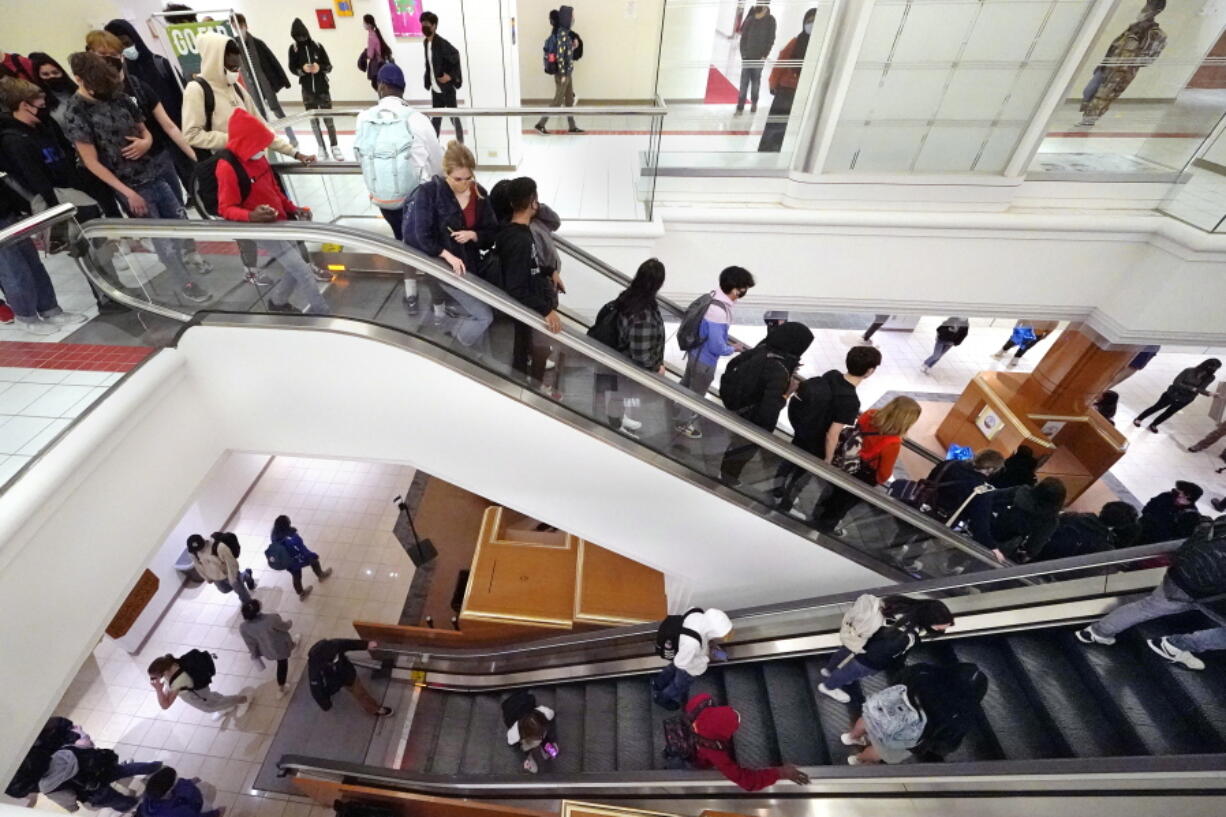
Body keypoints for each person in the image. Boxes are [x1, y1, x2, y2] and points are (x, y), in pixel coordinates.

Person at [63, 51, 212, 305]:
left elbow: (145, 130)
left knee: (180, 223)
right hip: (128, 184)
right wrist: (128, 193)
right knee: (162, 240)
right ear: (79, 79)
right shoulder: (76, 112)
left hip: (153, 171)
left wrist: (146, 143)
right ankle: (183, 282)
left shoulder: (118, 96)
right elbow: (90, 162)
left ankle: (187, 265)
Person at [85, 29, 203, 271]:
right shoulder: (84, 105)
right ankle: (179, 276)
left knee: (178, 216)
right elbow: (91, 158)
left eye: (115, 55)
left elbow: (167, 125)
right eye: (103, 55)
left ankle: (189, 256)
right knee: (157, 230)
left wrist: (197, 161)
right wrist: (125, 191)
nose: (111, 60)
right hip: (128, 177)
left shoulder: (135, 85)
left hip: (159, 160)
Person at [216, 108, 331, 315]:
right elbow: (225, 208)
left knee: (294, 267)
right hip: (261, 228)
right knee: (303, 271)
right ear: (246, 142)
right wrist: (251, 216)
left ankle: (278, 302)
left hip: (280, 222)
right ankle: (322, 314)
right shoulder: (227, 167)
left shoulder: (258, 157)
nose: (263, 149)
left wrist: (292, 209)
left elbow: (274, 190)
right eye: (258, 144)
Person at [1077, 517, 1226, 671]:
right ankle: (1175, 645)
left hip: (1182, 571)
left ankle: (1097, 632)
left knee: (1146, 607)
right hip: (1206, 592)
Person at [403, 140, 497, 349]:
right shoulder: (429, 193)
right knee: (483, 315)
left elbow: (491, 232)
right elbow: (421, 235)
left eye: (468, 178)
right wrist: (446, 254)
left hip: (471, 267)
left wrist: (473, 234)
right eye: (457, 179)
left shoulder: (479, 193)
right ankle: (455, 345)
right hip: (445, 269)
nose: (464, 184)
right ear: (446, 173)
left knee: (480, 311)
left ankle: (469, 346)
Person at [775, 345, 881, 514]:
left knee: (789, 461)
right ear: (869, 371)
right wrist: (828, 460)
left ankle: (777, 488)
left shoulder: (832, 374)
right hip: (816, 441)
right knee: (801, 476)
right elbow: (833, 434)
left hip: (803, 428)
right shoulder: (851, 401)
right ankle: (784, 506)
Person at [182, 33, 313, 165]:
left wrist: (294, 153)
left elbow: (262, 127)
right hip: (225, 167)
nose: (235, 72)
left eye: (237, 68)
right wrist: (234, 140)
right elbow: (191, 135)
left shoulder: (236, 87)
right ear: (214, 62)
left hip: (253, 164)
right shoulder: (196, 90)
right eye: (232, 67)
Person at [356, 63, 443, 241]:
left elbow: (359, 157)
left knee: (399, 236)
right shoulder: (418, 119)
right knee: (420, 238)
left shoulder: (363, 118)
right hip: (414, 198)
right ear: (403, 89)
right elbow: (437, 163)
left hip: (382, 198)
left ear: (381, 86)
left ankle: (404, 259)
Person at [719, 322, 814, 485]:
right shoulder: (779, 370)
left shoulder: (763, 348)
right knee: (743, 449)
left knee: (737, 445)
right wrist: (786, 395)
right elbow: (768, 412)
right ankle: (728, 478)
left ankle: (726, 471)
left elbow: (732, 365)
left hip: (738, 405)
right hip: (751, 418)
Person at [817, 596, 954, 703]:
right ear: (927, 620)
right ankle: (828, 686)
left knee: (843, 654)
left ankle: (829, 670)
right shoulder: (904, 637)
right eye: (940, 626)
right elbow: (879, 656)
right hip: (867, 659)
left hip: (858, 637)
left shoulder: (900, 606)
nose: (943, 629)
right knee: (850, 672)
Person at [845, 662, 988, 765]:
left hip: (880, 712)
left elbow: (897, 679)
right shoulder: (961, 715)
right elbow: (945, 744)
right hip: (898, 738)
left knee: (865, 720)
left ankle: (852, 737)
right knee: (879, 751)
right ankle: (859, 759)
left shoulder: (924, 672)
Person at [815, 396, 922, 533]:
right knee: (844, 503)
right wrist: (876, 480)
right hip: (863, 475)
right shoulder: (892, 442)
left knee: (834, 491)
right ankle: (826, 527)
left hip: (845, 459)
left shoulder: (869, 415)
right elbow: (884, 473)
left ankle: (820, 511)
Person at [493, 177, 564, 380]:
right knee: (533, 350)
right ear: (533, 202)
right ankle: (532, 392)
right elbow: (516, 286)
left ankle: (529, 388)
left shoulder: (517, 232)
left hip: (532, 303)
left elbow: (529, 266)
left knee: (527, 348)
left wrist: (549, 271)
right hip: (530, 307)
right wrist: (547, 310)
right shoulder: (520, 240)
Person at [675, 265, 755, 440]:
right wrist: (733, 348)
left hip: (694, 352)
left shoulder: (712, 296)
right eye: (742, 291)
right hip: (705, 360)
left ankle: (676, 404)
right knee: (697, 393)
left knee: (688, 380)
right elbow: (717, 347)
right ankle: (683, 423)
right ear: (734, 289)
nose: (741, 295)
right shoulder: (719, 312)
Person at [0, 179, 84, 335]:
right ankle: (26, 317)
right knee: (13, 272)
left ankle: (50, 309)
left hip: (7, 211)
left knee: (33, 265)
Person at [685, 693, 809, 790]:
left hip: (689, 733)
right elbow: (747, 781)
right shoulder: (713, 751)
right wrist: (780, 773)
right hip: (697, 755)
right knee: (700, 763)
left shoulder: (701, 701)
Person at [601, 258, 667, 435]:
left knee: (618, 395)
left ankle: (618, 417)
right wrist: (656, 367)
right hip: (629, 363)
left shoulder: (630, 296)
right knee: (620, 394)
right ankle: (615, 425)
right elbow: (641, 353)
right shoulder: (643, 314)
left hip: (622, 357)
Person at [1079, 0, 1167, 127]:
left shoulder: (1156, 34)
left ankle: (1088, 121)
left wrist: (1131, 58)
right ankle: (1088, 116)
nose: (1145, 9)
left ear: (1157, 11)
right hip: (1108, 66)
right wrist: (1105, 62)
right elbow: (1115, 46)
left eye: (1149, 6)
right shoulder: (1133, 28)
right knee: (1089, 91)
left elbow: (1149, 59)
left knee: (1103, 97)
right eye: (1146, 5)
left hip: (1122, 73)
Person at [104, 19, 184, 130]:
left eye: (127, 43)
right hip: (151, 138)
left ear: (135, 39)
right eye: (119, 48)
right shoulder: (120, 77)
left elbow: (184, 96)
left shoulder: (160, 63)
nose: (125, 49)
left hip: (181, 129)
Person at [233, 13, 296, 148]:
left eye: (240, 26)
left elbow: (272, 61)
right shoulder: (234, 45)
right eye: (234, 26)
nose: (238, 29)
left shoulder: (257, 43)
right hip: (250, 84)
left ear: (245, 25)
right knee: (259, 114)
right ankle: (270, 141)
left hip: (264, 81)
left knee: (276, 109)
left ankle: (292, 136)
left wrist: (283, 80)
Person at [37, 746, 161, 813]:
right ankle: (155, 767)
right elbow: (86, 749)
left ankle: (142, 805)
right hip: (102, 770)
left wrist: (72, 808)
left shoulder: (46, 785)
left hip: (93, 792)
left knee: (119, 801)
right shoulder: (62, 752)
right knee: (125, 769)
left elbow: (68, 797)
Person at [651, 608, 732, 710]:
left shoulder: (696, 614)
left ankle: (658, 683)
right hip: (688, 669)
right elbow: (680, 663)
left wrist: (710, 644)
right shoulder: (692, 644)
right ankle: (662, 698)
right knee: (678, 685)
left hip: (680, 652)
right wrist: (706, 658)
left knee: (671, 669)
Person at [759, 8, 815, 152]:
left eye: (815, 21)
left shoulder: (820, 46)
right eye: (809, 21)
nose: (812, 24)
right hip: (787, 90)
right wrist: (773, 84)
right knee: (776, 124)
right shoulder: (796, 42)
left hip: (805, 93)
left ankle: (778, 151)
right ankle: (767, 151)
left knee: (790, 128)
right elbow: (781, 63)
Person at [975, 476, 1067, 562]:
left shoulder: (1021, 491)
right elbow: (1035, 545)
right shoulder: (1050, 518)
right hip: (1005, 544)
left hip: (986, 526)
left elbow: (990, 497)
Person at [287, 19, 340, 161]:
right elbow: (292, 68)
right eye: (297, 36)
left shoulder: (317, 46)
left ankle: (335, 146)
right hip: (307, 91)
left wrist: (319, 67)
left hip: (323, 88)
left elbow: (329, 66)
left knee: (329, 120)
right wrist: (302, 70)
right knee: (313, 121)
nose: (301, 39)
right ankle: (321, 147)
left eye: (303, 35)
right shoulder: (293, 49)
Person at [306, 639, 393, 716]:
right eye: (334, 659)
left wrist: (366, 644)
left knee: (361, 693)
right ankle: (375, 709)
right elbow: (316, 689)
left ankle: (374, 709)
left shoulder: (334, 645)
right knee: (330, 690)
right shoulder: (315, 669)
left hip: (347, 675)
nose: (337, 658)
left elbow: (348, 643)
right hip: (332, 681)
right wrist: (325, 704)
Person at [147, 653, 248, 719]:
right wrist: (161, 690)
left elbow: (165, 705)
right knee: (210, 697)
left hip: (195, 693)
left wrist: (158, 690)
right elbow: (167, 697)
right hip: (197, 688)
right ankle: (223, 705)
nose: (154, 680)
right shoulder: (171, 666)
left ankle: (240, 699)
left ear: (162, 672)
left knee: (209, 707)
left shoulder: (177, 681)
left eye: (154, 677)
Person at [1133, 358, 1220, 433]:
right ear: (1206, 365)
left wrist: (1209, 393)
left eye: (1215, 369)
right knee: (1157, 407)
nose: (1213, 370)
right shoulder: (1189, 371)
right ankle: (1139, 419)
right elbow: (1176, 382)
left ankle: (1154, 424)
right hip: (1172, 393)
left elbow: (1201, 388)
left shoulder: (1211, 377)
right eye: (1212, 368)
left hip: (1186, 398)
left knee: (1169, 412)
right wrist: (1193, 388)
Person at [534, 6, 584, 135]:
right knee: (557, 101)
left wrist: (573, 47)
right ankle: (540, 124)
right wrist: (563, 74)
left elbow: (565, 53)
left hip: (567, 73)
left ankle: (572, 127)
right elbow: (560, 57)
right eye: (572, 16)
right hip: (563, 74)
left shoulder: (565, 32)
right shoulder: (562, 34)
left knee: (569, 101)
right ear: (567, 18)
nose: (574, 18)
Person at [1038, 501, 1141, 561]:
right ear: (1121, 526)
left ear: (1103, 509)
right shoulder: (1105, 547)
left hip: (1038, 554)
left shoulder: (1071, 516)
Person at [419, 11, 464, 142]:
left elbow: (456, 56)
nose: (424, 27)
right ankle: (434, 144)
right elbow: (428, 64)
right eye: (422, 24)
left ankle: (461, 144)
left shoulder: (442, 43)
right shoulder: (426, 43)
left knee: (454, 118)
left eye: (426, 24)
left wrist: (450, 76)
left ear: (434, 26)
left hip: (447, 89)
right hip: (435, 89)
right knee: (436, 119)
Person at [238, 600, 298, 697]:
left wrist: (254, 654)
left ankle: (293, 645)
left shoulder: (243, 627)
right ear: (258, 610)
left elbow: (250, 643)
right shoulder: (272, 618)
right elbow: (285, 627)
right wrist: (290, 622)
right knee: (282, 664)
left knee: (283, 658)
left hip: (267, 650)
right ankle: (281, 688)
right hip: (280, 647)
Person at [269, 513, 333, 598]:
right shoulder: (291, 539)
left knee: (296, 576)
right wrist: (311, 555)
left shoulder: (274, 535)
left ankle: (301, 593)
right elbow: (300, 549)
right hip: (298, 558)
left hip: (288, 562)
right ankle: (321, 575)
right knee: (314, 561)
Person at [186, 532, 257, 604]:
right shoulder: (193, 553)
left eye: (200, 548)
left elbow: (231, 563)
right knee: (225, 590)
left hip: (229, 573)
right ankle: (246, 575)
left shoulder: (219, 547)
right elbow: (198, 566)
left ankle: (248, 604)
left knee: (240, 592)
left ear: (204, 542)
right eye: (196, 549)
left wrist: (233, 579)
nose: (199, 551)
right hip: (215, 577)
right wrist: (207, 578)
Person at [502, 691, 557, 774]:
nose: (538, 739)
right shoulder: (514, 735)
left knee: (544, 738)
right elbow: (514, 748)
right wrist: (523, 757)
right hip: (523, 737)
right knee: (524, 750)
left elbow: (551, 714)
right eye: (535, 737)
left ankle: (547, 748)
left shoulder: (544, 713)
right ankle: (529, 759)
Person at [26, 53, 82, 134]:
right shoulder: (41, 103)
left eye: (55, 73)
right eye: (45, 74)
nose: (52, 77)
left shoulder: (77, 92)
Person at [736, 3, 776, 115]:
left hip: (759, 58)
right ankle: (740, 106)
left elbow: (771, 39)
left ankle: (754, 102)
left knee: (755, 82)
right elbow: (743, 38)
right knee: (744, 82)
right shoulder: (750, 20)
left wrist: (764, 55)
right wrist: (743, 54)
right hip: (747, 57)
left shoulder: (770, 21)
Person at [136, 766, 221, 817]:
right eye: (176, 780)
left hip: (189, 799)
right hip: (196, 808)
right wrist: (216, 813)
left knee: (207, 788)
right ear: (168, 792)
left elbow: (181, 783)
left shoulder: (152, 791)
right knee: (209, 794)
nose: (179, 780)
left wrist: (190, 782)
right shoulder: (175, 812)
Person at [1138, 481, 1204, 545]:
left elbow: (1180, 537)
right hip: (1142, 527)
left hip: (1156, 541)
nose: (1174, 491)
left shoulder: (1191, 516)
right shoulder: (1166, 496)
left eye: (1178, 490)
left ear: (1188, 495)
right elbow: (1148, 507)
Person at [991, 320, 1058, 368]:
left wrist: (1046, 336)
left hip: (1037, 334)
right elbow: (1021, 319)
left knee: (1025, 347)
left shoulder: (1054, 316)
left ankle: (1016, 357)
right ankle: (1003, 350)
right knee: (1012, 342)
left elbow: (1052, 327)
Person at [358, 13, 395, 93]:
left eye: (364, 23)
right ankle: (385, 99)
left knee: (376, 84)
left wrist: (365, 54)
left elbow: (370, 55)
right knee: (380, 84)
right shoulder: (375, 33)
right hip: (382, 62)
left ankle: (385, 100)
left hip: (377, 64)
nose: (363, 25)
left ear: (369, 24)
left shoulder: (371, 35)